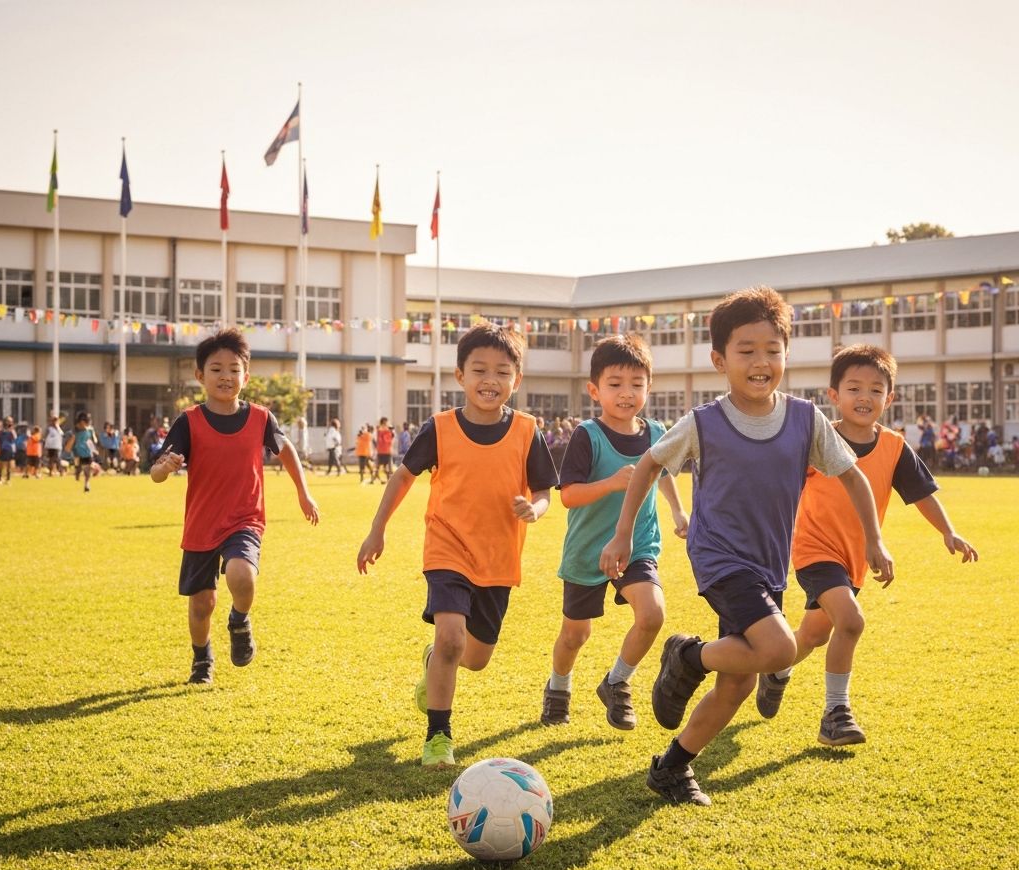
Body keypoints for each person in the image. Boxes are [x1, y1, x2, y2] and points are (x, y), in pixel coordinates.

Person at [600, 286, 893, 806]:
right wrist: (622, 533)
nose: (761, 361)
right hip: (719, 558)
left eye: (772, 350)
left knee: (735, 682)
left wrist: (874, 538)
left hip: (769, 567)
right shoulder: (705, 423)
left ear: (786, 355)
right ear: (719, 359)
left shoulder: (806, 420)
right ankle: (688, 655)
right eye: (746, 350)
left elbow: (854, 477)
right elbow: (648, 464)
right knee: (778, 650)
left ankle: (672, 767)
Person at [753, 346, 979, 744]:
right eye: (854, 388)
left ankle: (776, 671)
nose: (865, 397)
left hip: (855, 559)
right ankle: (835, 715)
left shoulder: (893, 447)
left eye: (876, 390)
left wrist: (948, 530)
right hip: (814, 551)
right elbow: (777, 484)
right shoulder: (818, 439)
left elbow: (922, 493)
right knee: (852, 621)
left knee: (813, 635)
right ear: (833, 395)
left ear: (889, 399)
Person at [356, 321, 557, 767]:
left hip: (499, 556)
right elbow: (403, 476)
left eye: (502, 372)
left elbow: (545, 491)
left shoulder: (527, 430)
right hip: (447, 548)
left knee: (476, 656)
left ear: (516, 380)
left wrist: (535, 510)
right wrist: (377, 529)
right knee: (450, 637)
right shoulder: (440, 428)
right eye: (479, 370)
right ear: (460, 376)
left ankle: (434, 660)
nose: (491, 380)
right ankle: (438, 737)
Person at [151, 329, 319, 686]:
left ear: (246, 375)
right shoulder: (189, 421)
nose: (225, 376)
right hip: (201, 524)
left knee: (241, 575)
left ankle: (240, 620)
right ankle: (202, 659)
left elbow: (286, 451)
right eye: (216, 369)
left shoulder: (260, 418)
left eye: (233, 369)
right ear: (200, 376)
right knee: (202, 604)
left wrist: (303, 493)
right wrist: (163, 469)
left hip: (245, 519)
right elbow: (156, 470)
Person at [540, 333, 688, 731]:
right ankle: (558, 688)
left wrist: (678, 510)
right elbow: (568, 496)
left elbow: (662, 472)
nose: (627, 394)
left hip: (638, 546)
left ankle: (617, 682)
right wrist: (612, 483)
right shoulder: (587, 436)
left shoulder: (658, 432)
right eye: (616, 384)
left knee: (652, 614)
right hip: (587, 551)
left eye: (637, 385)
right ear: (595, 390)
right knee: (575, 635)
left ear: (649, 387)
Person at [65, 412, 98, 492]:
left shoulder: (90, 430)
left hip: (87, 453)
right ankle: (77, 472)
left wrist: (94, 448)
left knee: (87, 469)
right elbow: (67, 448)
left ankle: (87, 484)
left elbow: (94, 440)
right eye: (86, 423)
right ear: (81, 422)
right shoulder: (73, 432)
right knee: (78, 468)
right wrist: (72, 439)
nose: (87, 425)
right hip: (77, 454)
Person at [371, 416, 394, 483]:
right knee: (377, 467)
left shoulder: (389, 431)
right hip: (381, 452)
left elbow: (390, 441)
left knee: (388, 468)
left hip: (387, 451)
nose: (387, 424)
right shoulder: (380, 431)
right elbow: (376, 440)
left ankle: (389, 480)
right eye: (386, 423)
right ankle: (373, 479)